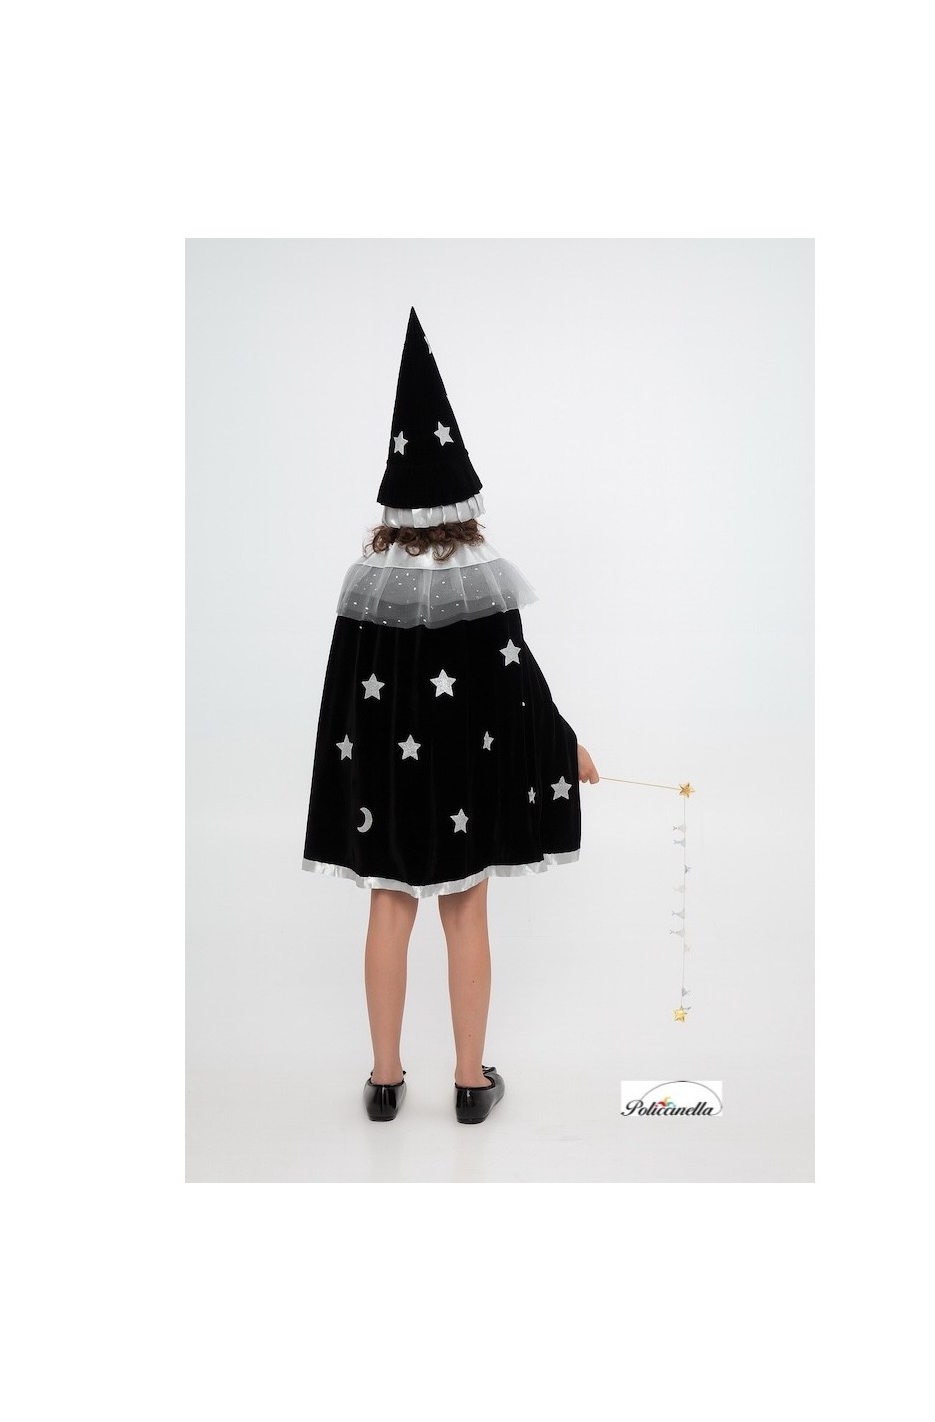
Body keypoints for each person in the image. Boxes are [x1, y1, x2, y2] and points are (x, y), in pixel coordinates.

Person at [302, 308, 599, 1123]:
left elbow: (343, 696)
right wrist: (564, 743)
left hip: (386, 783)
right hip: (467, 775)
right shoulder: (483, 576)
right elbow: (518, 678)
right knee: (465, 911)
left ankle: (385, 1080)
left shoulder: (366, 582)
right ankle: (470, 1083)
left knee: (389, 904)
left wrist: (350, 781)